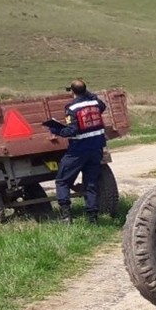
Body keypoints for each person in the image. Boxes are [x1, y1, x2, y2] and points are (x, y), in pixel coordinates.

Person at [47, 79, 108, 224]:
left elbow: (72, 131)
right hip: (96, 148)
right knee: (91, 183)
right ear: (85, 90)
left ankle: (66, 216)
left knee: (62, 181)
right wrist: (87, 93)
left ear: (72, 92)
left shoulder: (72, 108)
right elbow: (102, 105)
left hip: (78, 150)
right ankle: (92, 218)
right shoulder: (96, 104)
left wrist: (56, 129)